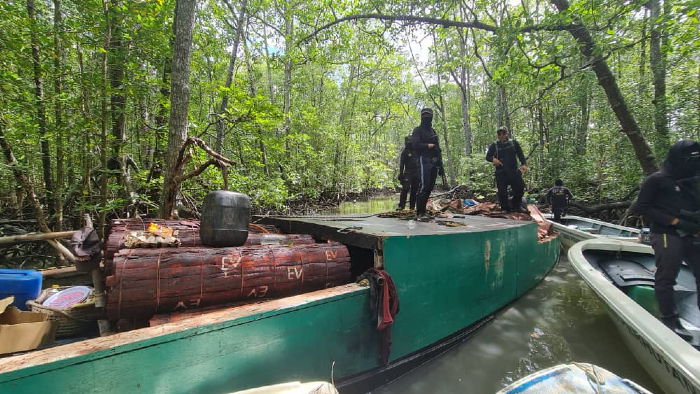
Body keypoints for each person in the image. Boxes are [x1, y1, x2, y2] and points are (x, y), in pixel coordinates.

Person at [633, 139, 700, 340]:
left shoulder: (694, 180)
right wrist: (675, 221)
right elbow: (642, 206)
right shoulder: (657, 179)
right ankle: (670, 320)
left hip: (694, 233)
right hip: (666, 233)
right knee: (667, 276)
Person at [410, 108, 444, 218]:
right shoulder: (417, 130)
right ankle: (420, 212)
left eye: (429, 115)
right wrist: (427, 146)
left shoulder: (433, 131)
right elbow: (414, 145)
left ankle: (423, 211)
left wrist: (441, 165)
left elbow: (438, 149)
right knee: (424, 186)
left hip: (434, 161)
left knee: (430, 186)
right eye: (425, 115)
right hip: (423, 159)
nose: (427, 117)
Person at [485, 126, 529, 212]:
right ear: (497, 135)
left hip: (514, 171)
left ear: (507, 133)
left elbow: (520, 154)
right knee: (502, 192)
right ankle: (505, 208)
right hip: (501, 172)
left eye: (503, 133)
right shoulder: (494, 145)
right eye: (499, 134)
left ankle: (516, 205)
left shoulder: (513, 143)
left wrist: (524, 164)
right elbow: (487, 157)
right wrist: (493, 159)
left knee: (520, 188)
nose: (501, 135)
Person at [397, 136, 419, 210]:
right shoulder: (405, 151)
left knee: (414, 190)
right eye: (407, 141)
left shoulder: (417, 151)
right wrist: (401, 173)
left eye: (410, 141)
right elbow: (402, 164)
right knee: (405, 188)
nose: (408, 142)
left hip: (416, 173)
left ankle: (412, 207)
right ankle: (401, 206)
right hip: (408, 172)